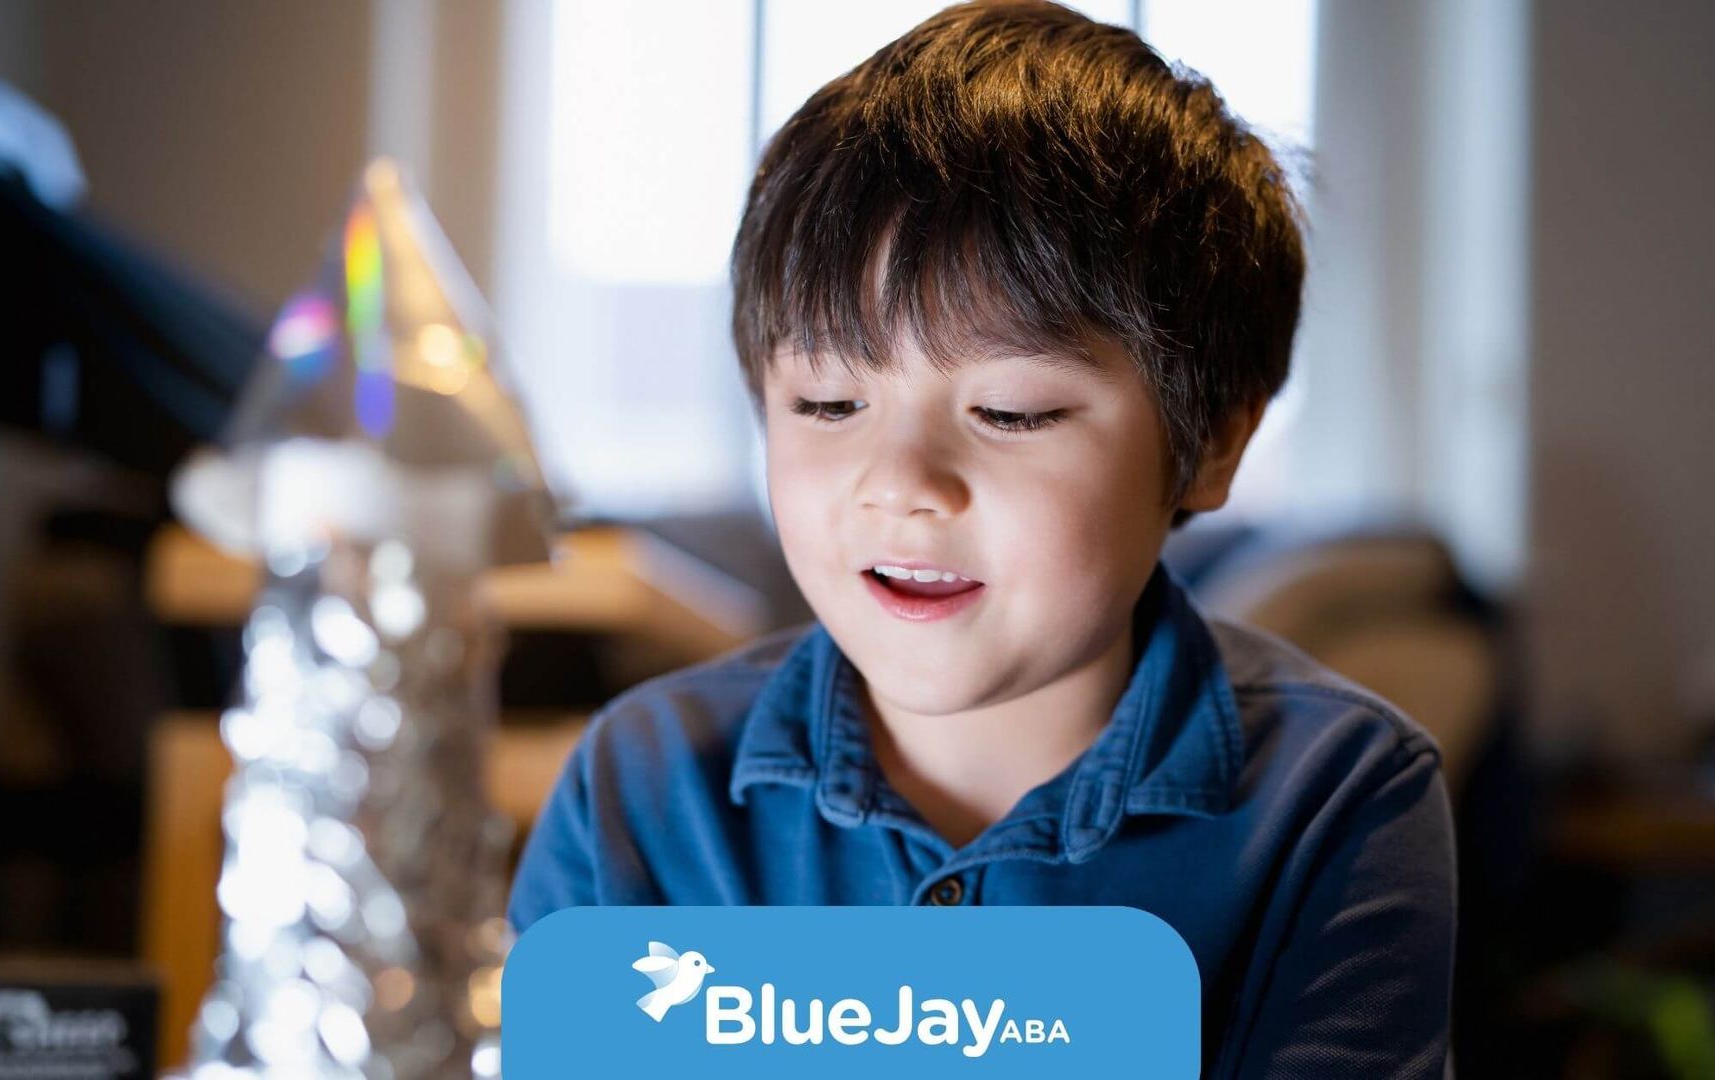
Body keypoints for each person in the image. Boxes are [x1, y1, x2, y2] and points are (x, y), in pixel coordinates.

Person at [508, 2, 1454, 1075]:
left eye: (1009, 413)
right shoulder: (642, 791)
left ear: (1212, 442)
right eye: (825, 404)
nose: (902, 485)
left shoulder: (1334, 799)